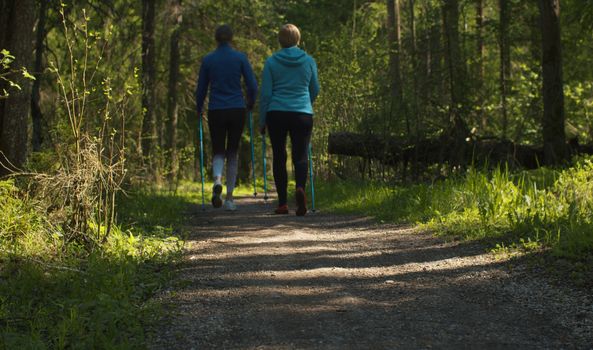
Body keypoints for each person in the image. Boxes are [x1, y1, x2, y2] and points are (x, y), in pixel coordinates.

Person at [196, 25, 258, 211]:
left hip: (216, 109)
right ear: (232, 39)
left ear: (216, 39)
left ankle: (217, 180)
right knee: (233, 152)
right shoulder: (240, 58)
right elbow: (252, 86)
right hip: (237, 109)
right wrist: (250, 103)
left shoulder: (208, 60)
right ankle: (230, 198)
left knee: (218, 150)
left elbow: (201, 89)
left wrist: (199, 108)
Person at [259, 24, 320, 216]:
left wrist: (262, 121)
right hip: (302, 113)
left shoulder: (271, 62)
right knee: (300, 155)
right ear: (298, 39)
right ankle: (300, 188)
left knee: (279, 155)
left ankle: (283, 203)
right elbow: (315, 88)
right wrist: (305, 103)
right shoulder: (309, 61)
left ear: (280, 40)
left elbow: (266, 94)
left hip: (276, 113)